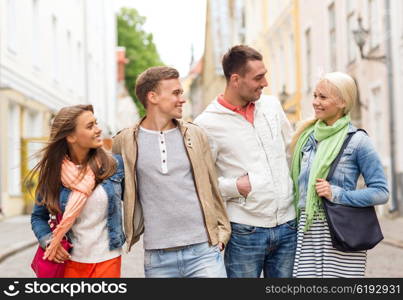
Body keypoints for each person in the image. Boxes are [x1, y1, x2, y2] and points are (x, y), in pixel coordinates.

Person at [112, 66, 231, 278]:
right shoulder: (125, 141)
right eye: (176, 93)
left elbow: (211, 186)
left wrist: (222, 233)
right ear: (153, 96)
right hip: (157, 257)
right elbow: (121, 190)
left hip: (203, 251)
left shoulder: (195, 135)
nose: (182, 99)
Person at [194, 45, 297, 278]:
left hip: (288, 225)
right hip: (244, 231)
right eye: (258, 78)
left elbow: (291, 152)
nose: (265, 83)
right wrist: (234, 187)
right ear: (235, 79)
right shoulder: (206, 124)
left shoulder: (271, 106)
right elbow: (200, 182)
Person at [290, 72, 389, 277]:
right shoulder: (306, 138)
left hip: (339, 230)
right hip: (306, 231)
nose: (315, 102)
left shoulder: (358, 141)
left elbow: (381, 192)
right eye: (315, 95)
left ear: (343, 102)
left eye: (323, 97)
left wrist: (337, 194)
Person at [30, 105, 125, 278]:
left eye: (96, 123)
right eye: (90, 126)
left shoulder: (114, 166)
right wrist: (48, 240)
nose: (98, 130)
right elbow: (38, 216)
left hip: (108, 258)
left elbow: (137, 198)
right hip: (69, 261)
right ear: (71, 137)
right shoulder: (53, 173)